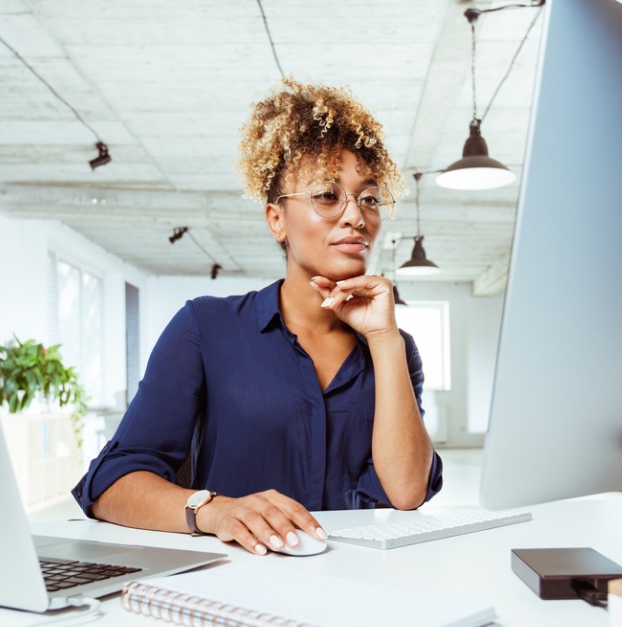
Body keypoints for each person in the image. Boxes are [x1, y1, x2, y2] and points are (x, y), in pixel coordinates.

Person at [72, 79, 443, 556]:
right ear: (276, 220)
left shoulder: (394, 348)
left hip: (355, 585)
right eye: (328, 195)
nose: (356, 216)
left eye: (369, 198)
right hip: (236, 585)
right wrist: (213, 510)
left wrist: (385, 340)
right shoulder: (206, 328)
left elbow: (407, 492)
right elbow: (110, 482)